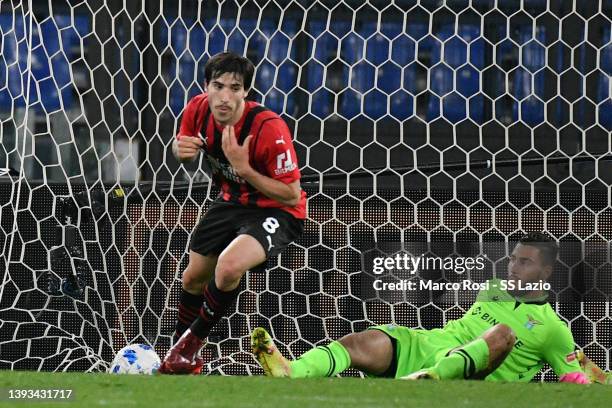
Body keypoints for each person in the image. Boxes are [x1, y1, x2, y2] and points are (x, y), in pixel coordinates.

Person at [252, 233, 590, 383]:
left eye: (525, 262)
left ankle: (429, 380)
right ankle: (290, 371)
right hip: (432, 347)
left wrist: (582, 378)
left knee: (503, 333)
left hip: (473, 375)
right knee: (362, 341)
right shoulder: (491, 289)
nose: (513, 267)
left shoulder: (553, 329)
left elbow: (583, 375)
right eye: (514, 258)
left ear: (546, 272)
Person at [159, 52, 306, 374]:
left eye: (235, 88)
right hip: (230, 202)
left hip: (277, 209)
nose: (224, 97)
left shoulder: (269, 128)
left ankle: (188, 347)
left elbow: (292, 193)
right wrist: (178, 150)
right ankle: (181, 353)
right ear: (205, 86)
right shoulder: (197, 109)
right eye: (218, 85)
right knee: (193, 277)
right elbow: (182, 145)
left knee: (228, 267)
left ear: (246, 92)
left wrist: (245, 169)